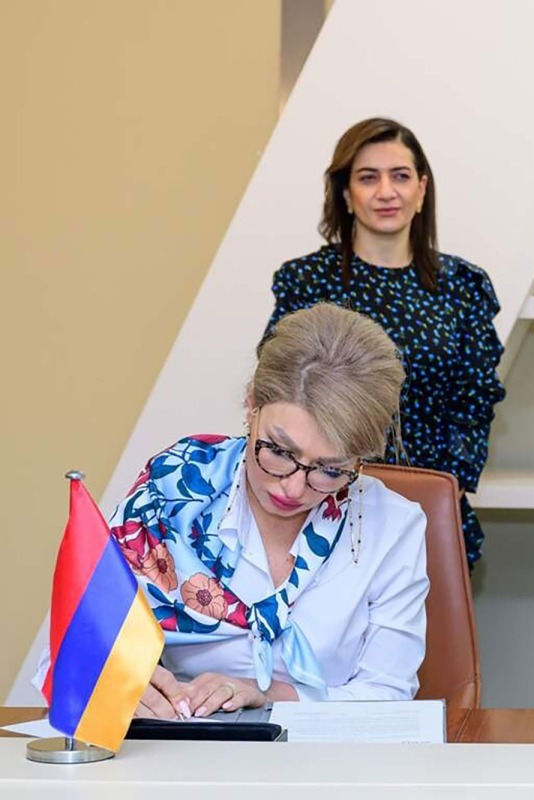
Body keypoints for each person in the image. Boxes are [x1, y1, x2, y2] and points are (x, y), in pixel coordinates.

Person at [37, 304, 430, 718]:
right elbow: (67, 650)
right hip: (182, 760)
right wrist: (119, 683)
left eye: (331, 470)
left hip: (328, 767)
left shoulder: (391, 525)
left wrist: (272, 695)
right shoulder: (171, 492)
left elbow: (389, 696)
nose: (293, 487)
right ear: (252, 407)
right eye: (279, 451)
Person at [264, 117, 505, 568]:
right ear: (345, 194)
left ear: (422, 189)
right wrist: (317, 478)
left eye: (400, 176)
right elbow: (278, 392)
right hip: (317, 504)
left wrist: (441, 489)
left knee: (428, 640)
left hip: (426, 510)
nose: (386, 191)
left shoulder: (464, 286)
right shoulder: (305, 282)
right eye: (367, 177)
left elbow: (474, 403)